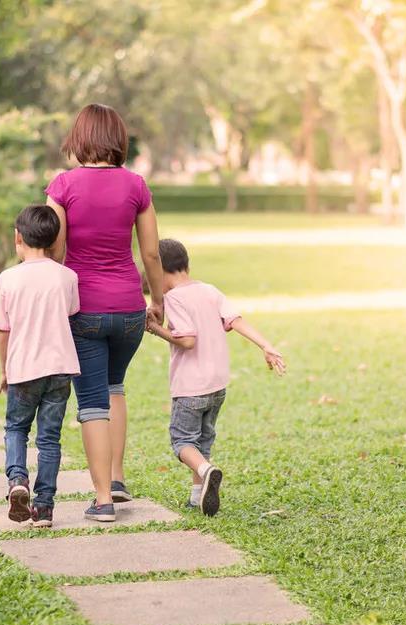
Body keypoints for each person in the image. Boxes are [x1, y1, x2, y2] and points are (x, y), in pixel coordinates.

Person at [45, 103, 164, 522]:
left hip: (85, 310)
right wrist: (159, 300)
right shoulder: (136, 185)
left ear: (79, 140)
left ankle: (102, 500)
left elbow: (56, 251)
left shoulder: (62, 186)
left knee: (92, 401)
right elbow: (150, 251)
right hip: (130, 310)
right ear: (118, 140)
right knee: (116, 387)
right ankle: (116, 477)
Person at [145, 239, 286, 516]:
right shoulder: (210, 290)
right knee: (203, 442)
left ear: (160, 270)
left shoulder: (174, 298)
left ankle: (206, 469)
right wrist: (266, 345)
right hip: (218, 386)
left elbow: (186, 341)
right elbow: (236, 320)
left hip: (190, 387)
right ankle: (197, 496)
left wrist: (154, 328)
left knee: (183, 442)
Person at [0, 205, 80, 528]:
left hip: (23, 369)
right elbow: (71, 314)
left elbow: (4, 330)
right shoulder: (67, 276)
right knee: (49, 439)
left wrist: (4, 369)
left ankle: (17, 480)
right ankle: (44, 508)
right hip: (60, 369)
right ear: (54, 239)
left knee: (16, 428)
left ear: (18, 238)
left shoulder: (7, 279)